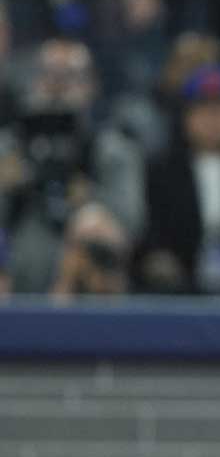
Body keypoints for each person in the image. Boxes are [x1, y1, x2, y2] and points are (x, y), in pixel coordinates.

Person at [0, 38, 145, 293]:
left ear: (92, 85)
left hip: (87, 288)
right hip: (15, 283)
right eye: (49, 75)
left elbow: (132, 220)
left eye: (70, 76)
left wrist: (90, 198)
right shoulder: (9, 146)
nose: (58, 86)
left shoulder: (111, 147)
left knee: (93, 226)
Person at [139, 65, 220, 293]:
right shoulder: (159, 176)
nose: (213, 119)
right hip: (173, 295)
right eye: (203, 108)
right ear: (185, 116)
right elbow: (148, 238)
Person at [50, 202, 132, 299]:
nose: (96, 252)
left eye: (99, 240)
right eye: (88, 243)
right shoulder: (73, 262)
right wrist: (68, 278)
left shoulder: (116, 264)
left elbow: (122, 303)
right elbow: (58, 303)